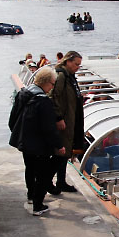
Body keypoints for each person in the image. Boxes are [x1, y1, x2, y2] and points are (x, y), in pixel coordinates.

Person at [8, 68, 63, 216]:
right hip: (38, 144)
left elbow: (12, 119)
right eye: (52, 84)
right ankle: (38, 205)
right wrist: (58, 145)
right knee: (42, 174)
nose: (52, 87)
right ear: (45, 83)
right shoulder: (43, 101)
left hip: (24, 141)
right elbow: (48, 128)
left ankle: (31, 195)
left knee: (30, 168)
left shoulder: (23, 94)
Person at [49, 51, 84, 193]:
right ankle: (47, 181)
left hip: (70, 119)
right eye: (76, 64)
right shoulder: (61, 76)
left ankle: (61, 181)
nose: (77, 67)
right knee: (60, 154)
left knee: (66, 153)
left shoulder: (70, 77)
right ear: (67, 61)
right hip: (63, 121)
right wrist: (58, 117)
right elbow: (53, 96)